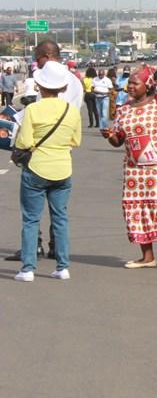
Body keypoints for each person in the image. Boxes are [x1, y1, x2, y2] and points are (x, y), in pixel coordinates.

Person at [102, 65, 157, 268]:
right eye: (129, 83)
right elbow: (119, 141)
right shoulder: (123, 110)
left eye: (134, 83)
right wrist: (111, 137)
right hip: (133, 167)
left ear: (147, 86)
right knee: (134, 207)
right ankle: (147, 256)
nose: (130, 86)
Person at [13, 61, 82, 282]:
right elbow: (76, 140)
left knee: (31, 219)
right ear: (63, 87)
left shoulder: (33, 109)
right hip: (62, 168)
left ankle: (28, 269)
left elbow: (24, 142)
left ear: (40, 86)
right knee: (60, 218)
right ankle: (62, 266)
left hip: (36, 168)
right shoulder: (71, 111)